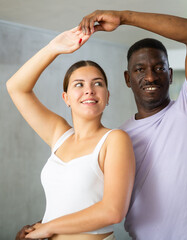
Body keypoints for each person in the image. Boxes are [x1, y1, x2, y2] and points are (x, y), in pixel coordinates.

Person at [78, 10, 187, 240]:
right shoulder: (118, 138)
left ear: (170, 75)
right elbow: (91, 197)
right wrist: (48, 224)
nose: (151, 77)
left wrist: (124, 18)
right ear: (127, 78)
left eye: (159, 68)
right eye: (140, 69)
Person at [7, 27, 135, 240]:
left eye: (98, 83)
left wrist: (47, 227)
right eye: (79, 84)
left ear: (107, 95)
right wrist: (53, 49)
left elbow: (113, 211)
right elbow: (16, 87)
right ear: (66, 98)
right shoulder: (59, 134)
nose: (89, 90)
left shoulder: (114, 140)